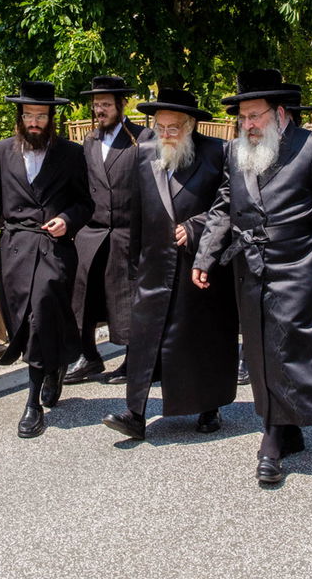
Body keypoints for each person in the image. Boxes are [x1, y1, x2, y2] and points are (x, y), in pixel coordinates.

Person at [193, 69, 312, 485]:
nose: (248, 124)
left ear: (280, 113)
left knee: (287, 349)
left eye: (255, 116)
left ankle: (272, 437)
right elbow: (224, 207)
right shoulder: (235, 152)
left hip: (296, 266)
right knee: (259, 352)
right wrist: (205, 255)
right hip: (247, 267)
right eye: (243, 117)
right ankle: (286, 428)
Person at [101, 88, 236, 441]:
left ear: (190, 125)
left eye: (173, 128)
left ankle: (210, 406)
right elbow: (135, 212)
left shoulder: (216, 153)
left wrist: (194, 227)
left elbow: (230, 206)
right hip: (153, 262)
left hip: (200, 262)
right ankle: (135, 413)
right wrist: (134, 263)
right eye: (160, 127)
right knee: (145, 339)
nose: (165, 134)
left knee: (200, 337)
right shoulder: (143, 152)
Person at [0, 80, 90, 439]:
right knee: (23, 319)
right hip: (16, 249)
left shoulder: (71, 154)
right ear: (20, 118)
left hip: (54, 249)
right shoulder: (2, 151)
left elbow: (85, 203)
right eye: (28, 116)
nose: (34, 122)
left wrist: (67, 220)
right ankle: (54, 367)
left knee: (40, 314)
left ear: (51, 117)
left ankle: (32, 403)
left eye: (41, 115)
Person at [65, 76, 152, 385]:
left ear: (121, 104)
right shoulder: (89, 141)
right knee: (82, 295)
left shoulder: (143, 139)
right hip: (92, 231)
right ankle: (88, 356)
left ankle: (134, 360)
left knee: (127, 298)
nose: (99, 109)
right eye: (95, 104)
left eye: (105, 104)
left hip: (128, 232)